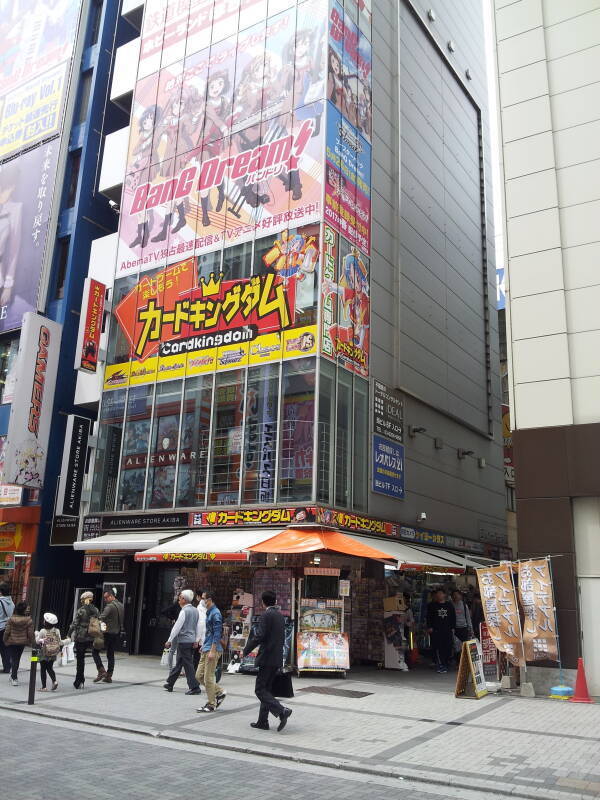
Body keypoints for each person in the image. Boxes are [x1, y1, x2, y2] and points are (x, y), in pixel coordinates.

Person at [242, 590, 292, 732]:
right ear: (274, 601)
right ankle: (262, 721)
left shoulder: (266, 615)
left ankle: (282, 711)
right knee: (267, 689)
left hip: (267, 657)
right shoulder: (279, 616)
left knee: (260, 689)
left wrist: (246, 651)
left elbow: (259, 636)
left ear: (263, 602)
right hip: (276, 657)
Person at [163, 589, 202, 695]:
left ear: (184, 600)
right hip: (191, 640)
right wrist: (197, 639)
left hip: (184, 641)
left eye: (180, 598)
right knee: (180, 662)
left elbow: (177, 627)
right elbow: (199, 626)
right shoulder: (195, 610)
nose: (178, 600)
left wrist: (169, 640)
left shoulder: (184, 611)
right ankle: (170, 683)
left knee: (188, 664)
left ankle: (195, 687)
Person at [196, 591, 226, 713]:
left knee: (208, 678)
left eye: (204, 598)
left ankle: (211, 703)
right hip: (206, 647)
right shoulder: (210, 612)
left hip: (213, 649)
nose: (202, 601)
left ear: (210, 599)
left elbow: (217, 634)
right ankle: (219, 691)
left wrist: (212, 651)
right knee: (199, 676)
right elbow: (209, 633)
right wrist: (204, 645)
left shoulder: (216, 614)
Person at [68, 591, 100, 689]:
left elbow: (75, 623)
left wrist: (69, 634)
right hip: (91, 636)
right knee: (84, 657)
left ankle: (79, 680)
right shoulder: (96, 610)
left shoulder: (81, 610)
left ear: (85, 599)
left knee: (80, 659)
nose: (81, 601)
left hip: (81, 637)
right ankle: (80, 680)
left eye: (82, 600)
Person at [92, 588, 125, 683]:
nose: (105, 600)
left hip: (107, 633)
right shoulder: (121, 605)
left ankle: (101, 670)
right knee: (110, 654)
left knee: (95, 651)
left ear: (111, 596)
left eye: (106, 597)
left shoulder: (109, 607)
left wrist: (94, 622)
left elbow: (101, 618)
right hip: (116, 633)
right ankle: (109, 676)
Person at [3, 601, 34, 686]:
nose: (28, 610)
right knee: (17, 659)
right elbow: (31, 633)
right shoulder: (28, 620)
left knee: (14, 659)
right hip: (22, 642)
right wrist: (32, 642)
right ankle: (14, 677)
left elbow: (7, 632)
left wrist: (5, 640)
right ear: (23, 610)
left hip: (12, 642)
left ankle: (13, 676)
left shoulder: (11, 619)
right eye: (27, 608)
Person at [426, 588, 456, 674]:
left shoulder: (449, 605)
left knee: (448, 647)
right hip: (436, 630)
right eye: (437, 594)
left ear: (444, 595)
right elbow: (429, 617)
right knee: (438, 647)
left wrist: (453, 627)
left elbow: (453, 617)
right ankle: (441, 664)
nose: (439, 595)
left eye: (440, 593)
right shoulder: (432, 605)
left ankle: (446, 663)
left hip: (447, 630)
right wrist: (429, 627)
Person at [35, 612, 68, 691]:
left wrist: (37, 635)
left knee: (43, 668)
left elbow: (37, 641)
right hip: (53, 652)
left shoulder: (43, 631)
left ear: (46, 622)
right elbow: (59, 642)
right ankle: (54, 681)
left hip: (44, 652)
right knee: (50, 667)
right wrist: (67, 641)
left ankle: (44, 687)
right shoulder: (57, 631)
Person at [0, 582, 15, 673]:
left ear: (1, 592)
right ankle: (7, 667)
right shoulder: (12, 602)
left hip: (0, 627)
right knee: (5, 648)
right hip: (8, 628)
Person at [192, 589, 207, 670]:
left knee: (197, 659)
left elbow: (200, 624)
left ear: (198, 597)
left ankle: (196, 676)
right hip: (207, 637)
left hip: (201, 638)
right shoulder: (208, 607)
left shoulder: (200, 607)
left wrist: (197, 639)